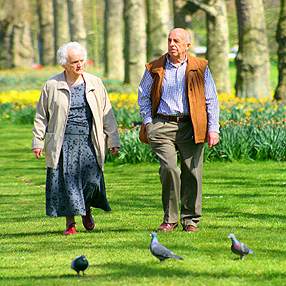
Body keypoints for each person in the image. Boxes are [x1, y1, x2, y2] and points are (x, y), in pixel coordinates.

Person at [31, 42, 120, 235]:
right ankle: (70, 222)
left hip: (90, 139)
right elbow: (41, 116)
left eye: (82, 61)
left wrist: (113, 139)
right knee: (65, 183)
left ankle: (86, 208)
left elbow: (107, 114)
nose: (80, 65)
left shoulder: (95, 83)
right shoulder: (52, 85)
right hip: (62, 141)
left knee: (91, 180)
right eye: (74, 62)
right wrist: (38, 141)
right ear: (64, 64)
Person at [137, 28, 219, 233]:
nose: (172, 44)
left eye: (177, 41)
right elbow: (143, 96)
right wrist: (148, 123)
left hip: (192, 125)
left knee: (192, 173)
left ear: (187, 45)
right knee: (169, 169)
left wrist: (213, 129)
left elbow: (211, 99)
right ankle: (170, 219)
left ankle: (190, 221)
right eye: (170, 40)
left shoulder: (200, 67)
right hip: (162, 126)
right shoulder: (154, 67)